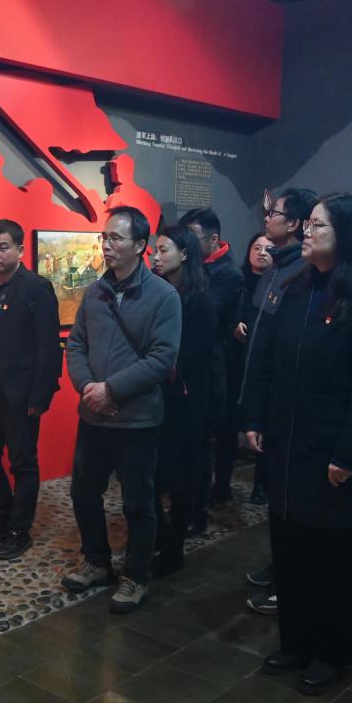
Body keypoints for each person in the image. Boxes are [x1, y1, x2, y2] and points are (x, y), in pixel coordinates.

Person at [242, 193, 352, 694]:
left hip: (333, 451)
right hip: (288, 445)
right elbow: (267, 359)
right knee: (289, 549)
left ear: (347, 234)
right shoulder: (295, 286)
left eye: (318, 226)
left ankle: (331, 651)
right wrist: (256, 416)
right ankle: (295, 641)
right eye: (307, 224)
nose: (307, 232)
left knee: (331, 558)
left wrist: (348, 453)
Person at [62, 205, 180, 613]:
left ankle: (136, 575)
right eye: (104, 237)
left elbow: (162, 359)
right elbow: (76, 344)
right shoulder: (95, 292)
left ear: (140, 245)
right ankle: (96, 561)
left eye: (116, 238)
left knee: (137, 502)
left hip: (137, 419)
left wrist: (112, 389)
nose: (107, 245)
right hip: (93, 415)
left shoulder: (163, 296)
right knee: (83, 492)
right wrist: (88, 388)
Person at [0, 219, 63, 560]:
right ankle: (3, 516)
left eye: (3, 247)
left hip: (19, 397)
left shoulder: (36, 289)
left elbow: (48, 348)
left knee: (23, 465)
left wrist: (40, 396)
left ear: (19, 249)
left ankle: (20, 529)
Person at [237, 186, 317, 615]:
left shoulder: (303, 275)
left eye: (275, 213)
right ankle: (280, 567)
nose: (266, 218)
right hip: (266, 399)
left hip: (291, 410)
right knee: (277, 498)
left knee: (291, 499)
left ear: (297, 224)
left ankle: (291, 581)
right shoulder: (276, 268)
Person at [150, 225, 215, 575]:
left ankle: (174, 545)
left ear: (185, 254)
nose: (156, 257)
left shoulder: (199, 300)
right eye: (155, 250)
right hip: (157, 393)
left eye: (164, 250)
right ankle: (159, 534)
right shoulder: (155, 292)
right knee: (150, 471)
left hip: (185, 398)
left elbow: (189, 355)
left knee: (180, 475)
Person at [179, 208, 242, 522]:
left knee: (201, 439)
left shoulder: (228, 274)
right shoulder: (191, 269)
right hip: (183, 363)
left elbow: (204, 313)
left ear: (213, 239)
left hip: (209, 365)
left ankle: (198, 509)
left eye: (192, 239)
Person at [236, 231, 272, 509]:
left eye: (268, 248)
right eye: (256, 247)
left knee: (261, 423)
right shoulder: (238, 281)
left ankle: (261, 483)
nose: (261, 252)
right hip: (236, 359)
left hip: (262, 363)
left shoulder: (277, 284)